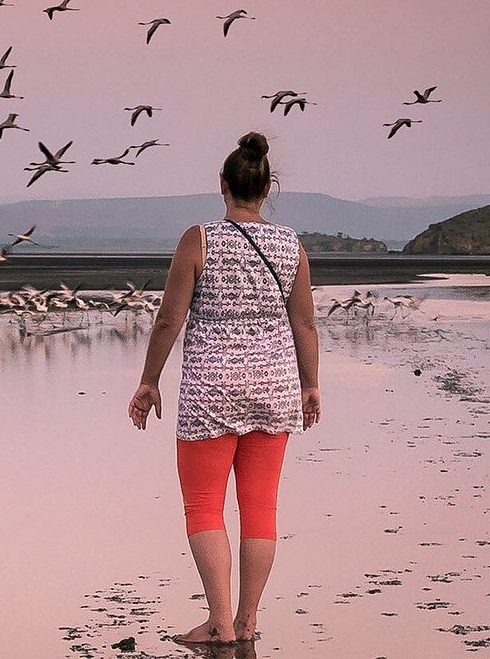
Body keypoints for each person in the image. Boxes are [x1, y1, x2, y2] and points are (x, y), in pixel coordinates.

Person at [127, 131, 321, 645]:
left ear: (223, 185)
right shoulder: (291, 245)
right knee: (260, 508)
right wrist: (311, 386)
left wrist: (149, 381)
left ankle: (218, 621)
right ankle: (247, 621)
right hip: (274, 390)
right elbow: (305, 324)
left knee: (204, 505)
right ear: (267, 188)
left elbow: (169, 318)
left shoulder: (200, 239)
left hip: (211, 393)